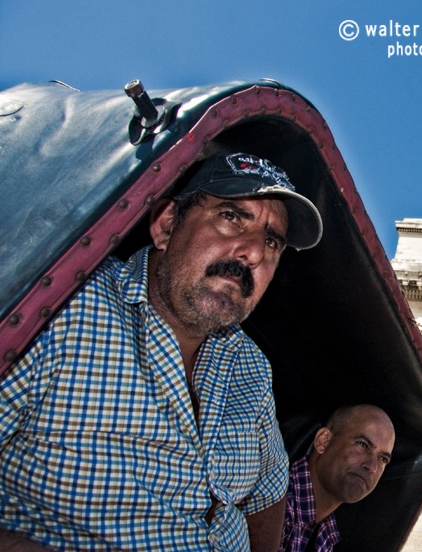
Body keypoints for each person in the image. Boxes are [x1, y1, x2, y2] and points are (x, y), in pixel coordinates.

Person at [0, 152, 323, 551]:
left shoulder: (251, 366)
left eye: (272, 241)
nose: (254, 252)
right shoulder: (62, 308)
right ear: (167, 225)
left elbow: (267, 496)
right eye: (231, 217)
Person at [279, 404, 395, 552]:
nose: (372, 466)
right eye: (362, 445)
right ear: (323, 441)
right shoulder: (276, 502)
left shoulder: (326, 531)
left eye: (383, 459)